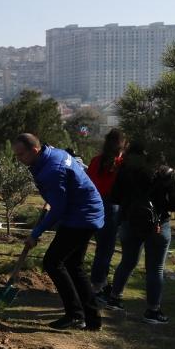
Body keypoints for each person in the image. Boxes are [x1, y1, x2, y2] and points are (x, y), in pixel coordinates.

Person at [13, 133, 105, 330]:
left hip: (81, 216)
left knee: (53, 262)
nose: (19, 159)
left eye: (21, 155)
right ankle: (91, 318)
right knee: (74, 265)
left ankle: (75, 315)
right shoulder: (52, 153)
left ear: (34, 151)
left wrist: (35, 233)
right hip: (84, 211)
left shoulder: (52, 170)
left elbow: (59, 209)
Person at [104, 145, 175, 324]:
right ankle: (153, 311)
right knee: (155, 269)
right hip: (158, 224)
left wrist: (131, 204)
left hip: (129, 221)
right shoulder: (167, 174)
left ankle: (114, 298)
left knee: (127, 261)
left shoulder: (125, 171)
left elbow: (114, 197)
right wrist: (160, 204)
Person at [87, 128, 127, 300]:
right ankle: (98, 285)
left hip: (94, 204)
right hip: (112, 206)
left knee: (100, 247)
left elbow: (87, 182)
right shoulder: (121, 164)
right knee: (106, 249)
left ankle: (98, 283)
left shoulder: (96, 161)